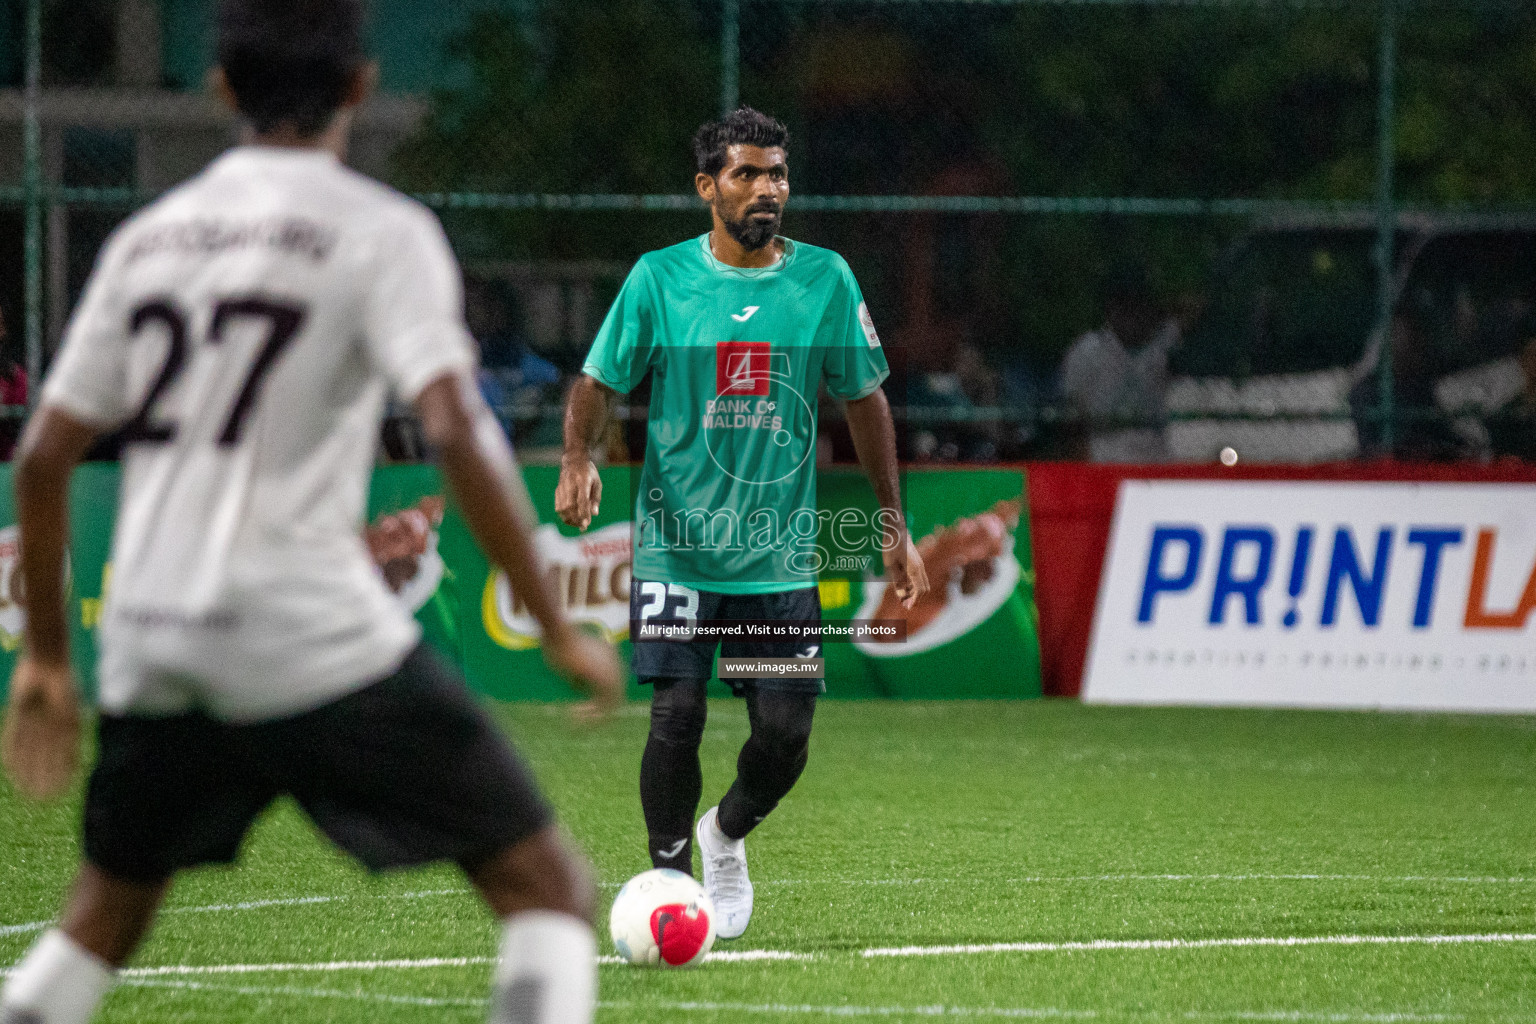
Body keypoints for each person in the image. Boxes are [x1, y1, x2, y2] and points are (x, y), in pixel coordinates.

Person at [0, 3, 622, 1024]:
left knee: (101, 918)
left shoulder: (149, 240)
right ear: (361, 87)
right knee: (547, 888)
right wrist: (555, 625)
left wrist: (48, 659)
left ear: (222, 90)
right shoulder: (380, 232)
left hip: (154, 637)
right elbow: (459, 432)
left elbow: (43, 454)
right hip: (304, 633)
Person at [554, 107, 929, 940]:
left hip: (778, 564)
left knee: (785, 734)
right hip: (678, 553)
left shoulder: (826, 280)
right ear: (707, 187)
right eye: (748, 174)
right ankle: (667, 882)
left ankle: (722, 835)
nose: (768, 190)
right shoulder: (659, 279)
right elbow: (597, 378)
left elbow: (865, 400)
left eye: (778, 175)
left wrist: (892, 522)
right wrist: (578, 457)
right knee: (675, 717)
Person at [1060, 268, 1180, 462]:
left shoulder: (1166, 345)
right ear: (1110, 309)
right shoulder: (1087, 351)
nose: (1131, 315)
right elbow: (1072, 418)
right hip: (1105, 458)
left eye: (1138, 305)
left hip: (1159, 457)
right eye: (1124, 306)